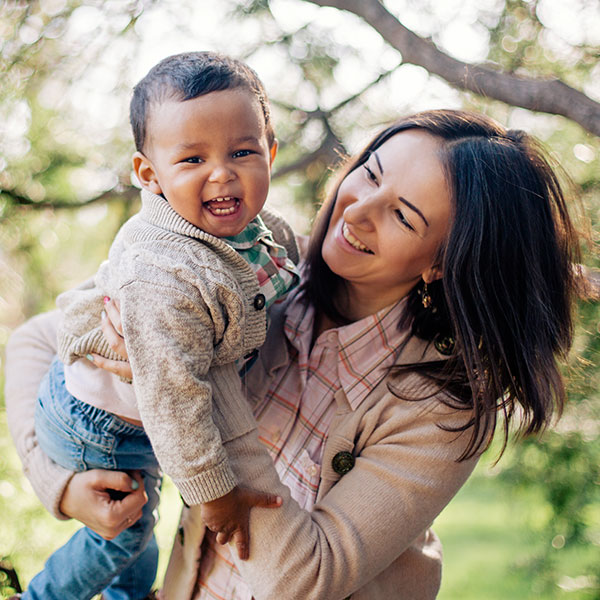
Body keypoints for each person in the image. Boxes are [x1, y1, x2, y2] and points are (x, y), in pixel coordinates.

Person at [5, 109, 580, 599]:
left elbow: (304, 578)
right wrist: (60, 483)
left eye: (403, 215)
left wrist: (196, 361)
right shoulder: (260, 272)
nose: (356, 211)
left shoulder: (442, 407)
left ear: (443, 263)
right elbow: (34, 340)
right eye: (368, 174)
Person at [11, 51, 300, 600]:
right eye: (192, 160)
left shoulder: (259, 232)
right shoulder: (164, 272)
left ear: (270, 151)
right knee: (124, 534)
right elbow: (176, 403)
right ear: (150, 173)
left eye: (243, 151)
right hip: (96, 421)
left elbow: (283, 266)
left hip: (128, 418)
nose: (223, 172)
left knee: (138, 532)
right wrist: (217, 495)